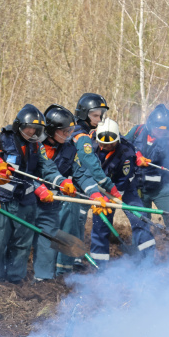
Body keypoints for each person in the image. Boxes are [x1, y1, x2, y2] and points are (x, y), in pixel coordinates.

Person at [0, 104, 61, 283]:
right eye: (30, 128)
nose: (33, 132)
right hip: (4, 200)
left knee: (22, 243)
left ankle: (15, 279)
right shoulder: (0, 139)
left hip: (26, 202)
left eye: (37, 129)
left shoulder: (37, 146)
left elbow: (47, 167)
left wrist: (61, 181)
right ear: (19, 126)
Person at [33, 104, 98, 281]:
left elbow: (82, 173)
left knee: (72, 206)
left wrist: (95, 195)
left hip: (57, 196)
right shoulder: (35, 145)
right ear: (51, 130)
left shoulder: (70, 148)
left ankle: (63, 270)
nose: (68, 135)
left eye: (70, 130)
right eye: (64, 131)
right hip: (32, 195)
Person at [56, 93, 115, 275]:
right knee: (73, 222)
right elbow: (89, 161)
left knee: (78, 222)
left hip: (80, 183)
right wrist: (106, 183)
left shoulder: (84, 131)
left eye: (101, 115)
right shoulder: (81, 135)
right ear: (84, 114)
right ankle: (65, 265)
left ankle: (75, 259)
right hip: (72, 184)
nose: (99, 119)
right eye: (95, 115)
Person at [125, 104, 169, 254]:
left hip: (163, 188)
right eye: (160, 130)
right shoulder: (137, 131)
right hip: (138, 186)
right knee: (141, 222)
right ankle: (143, 259)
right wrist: (135, 156)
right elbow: (122, 147)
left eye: (167, 131)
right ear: (151, 125)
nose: (163, 134)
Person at [90, 117, 156, 264]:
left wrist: (113, 197)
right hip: (101, 189)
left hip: (125, 188)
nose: (106, 146)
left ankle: (148, 259)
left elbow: (123, 182)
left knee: (139, 217)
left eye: (111, 144)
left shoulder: (127, 152)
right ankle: (99, 264)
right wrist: (97, 195)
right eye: (103, 144)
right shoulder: (91, 145)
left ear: (117, 140)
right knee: (101, 222)